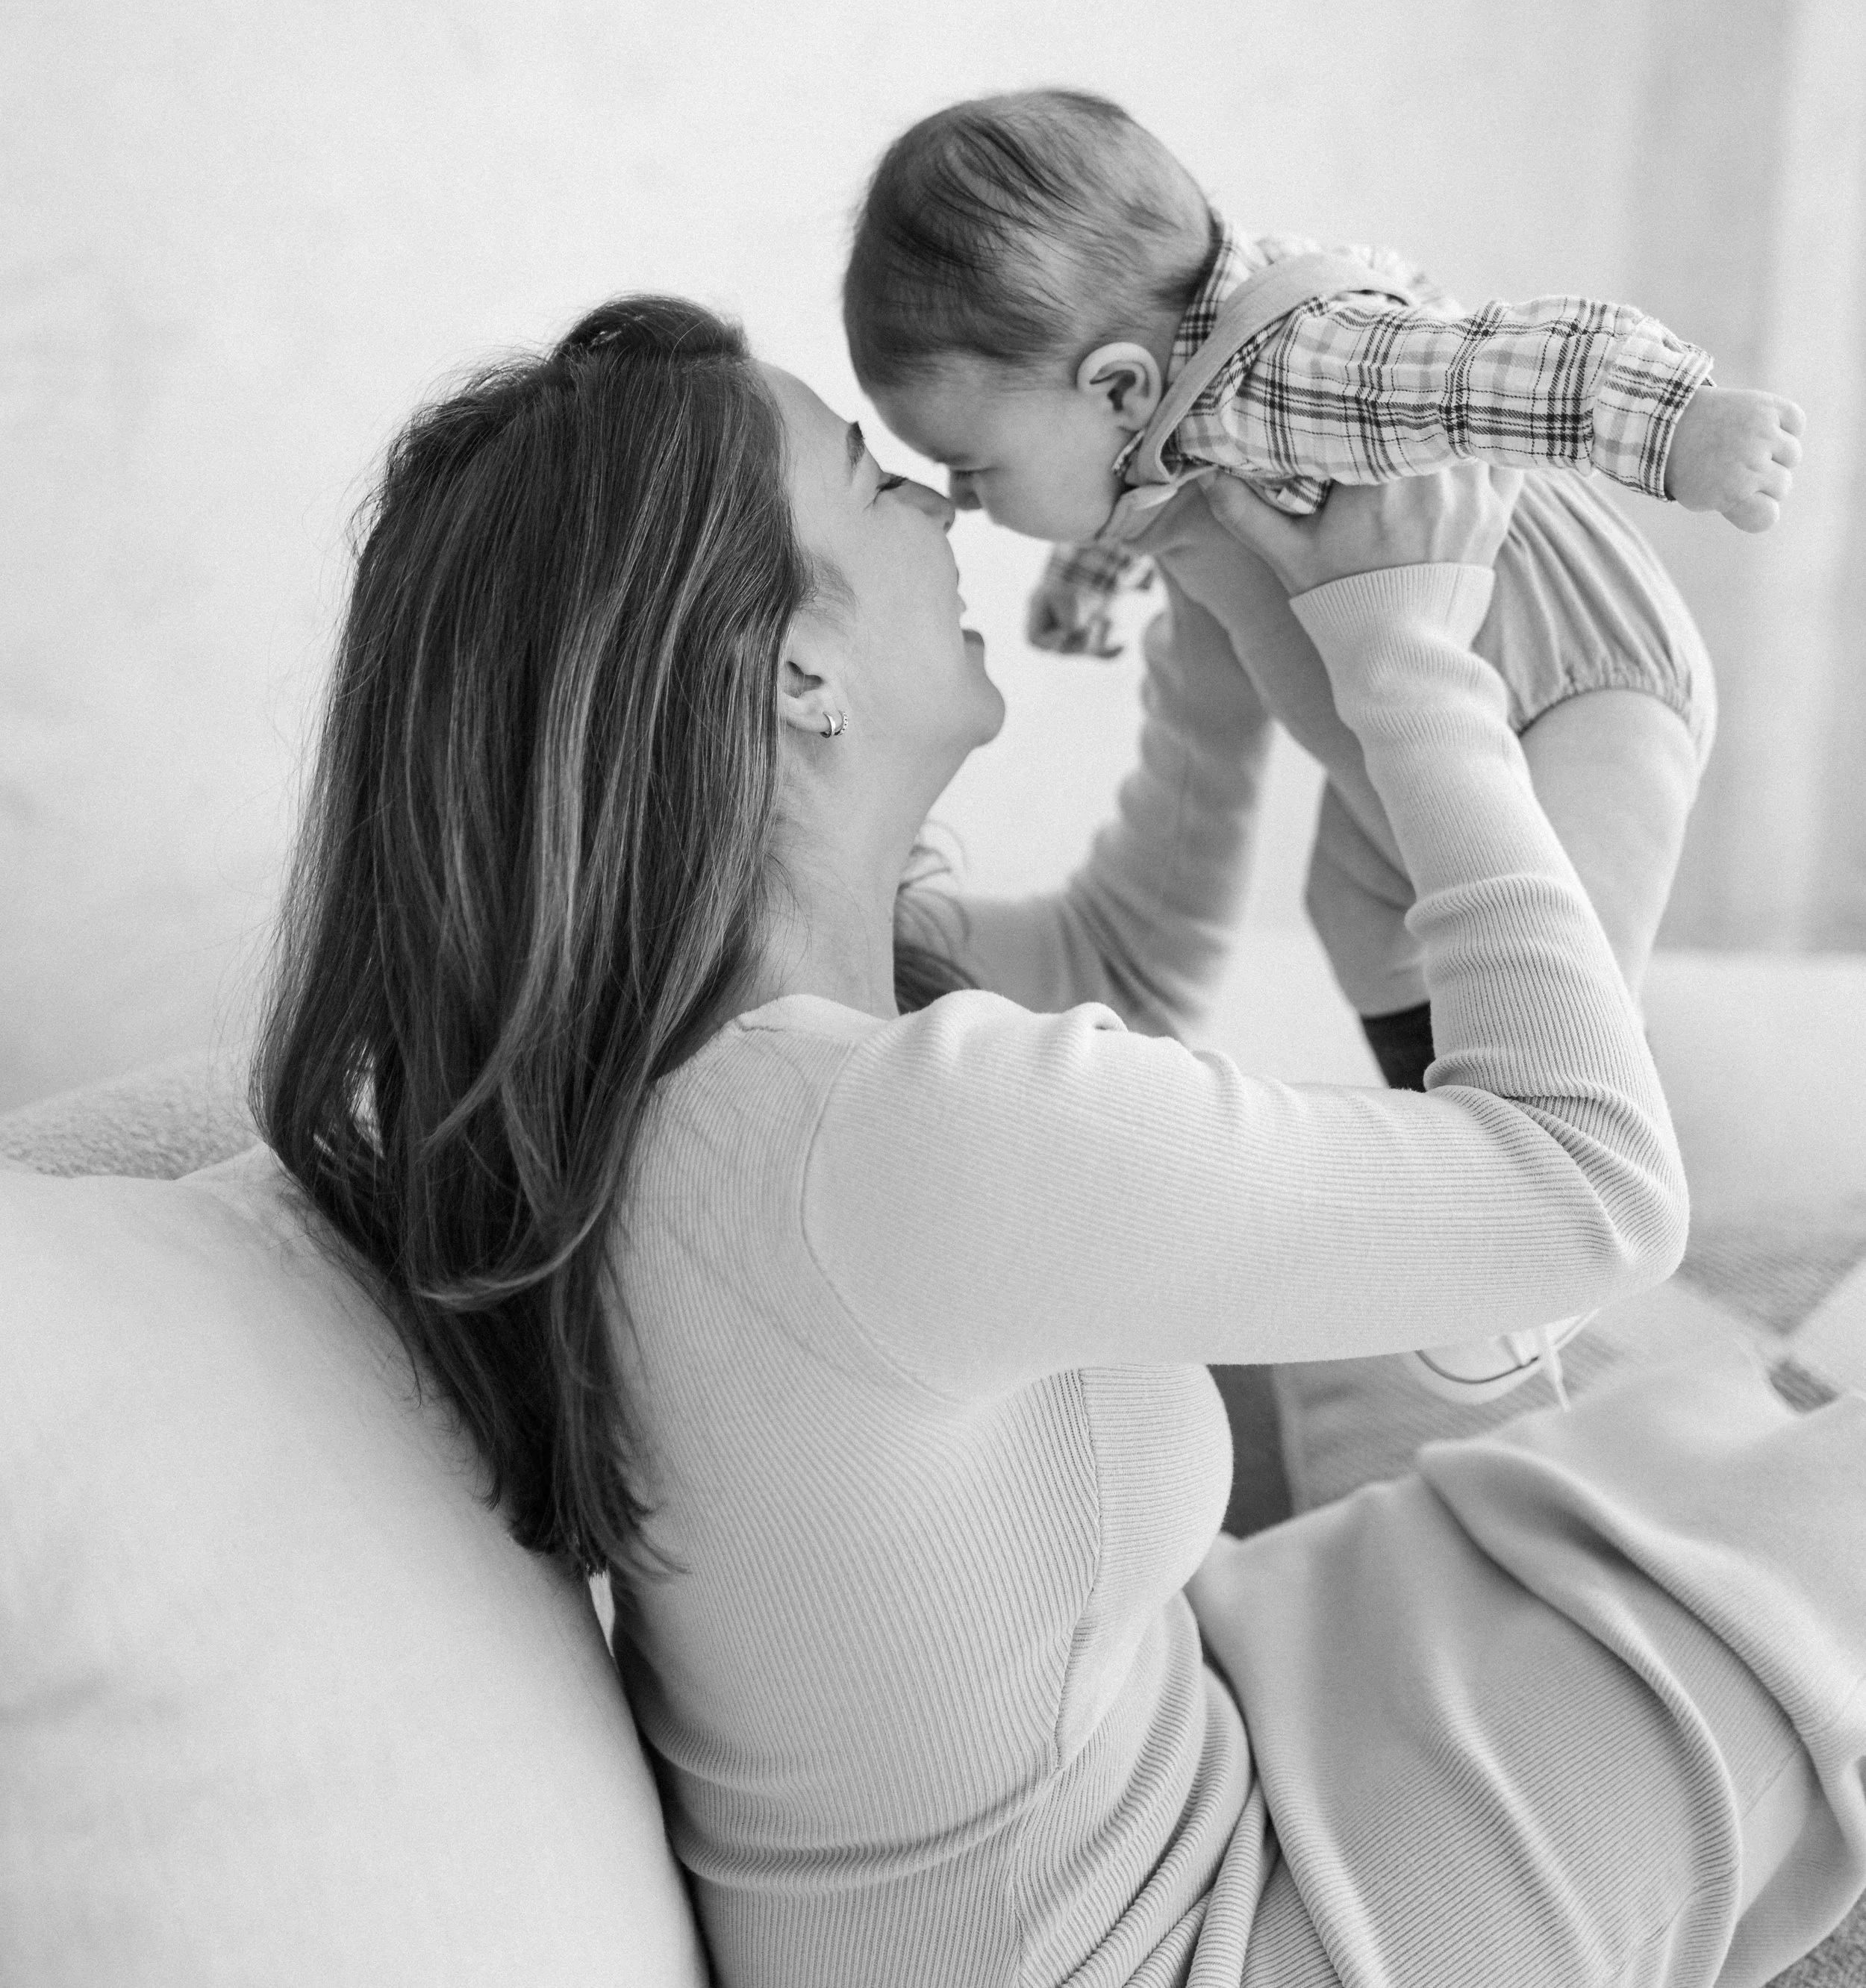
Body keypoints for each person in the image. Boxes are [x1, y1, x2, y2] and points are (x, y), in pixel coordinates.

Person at [257, 296, 1865, 1988]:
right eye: (870, 478)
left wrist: (1217, 602)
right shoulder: (894, 1137)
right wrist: (1410, 660)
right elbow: (1589, 1190)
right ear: (789, 669)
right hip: (1211, 1936)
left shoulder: (707, 1103)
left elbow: (1132, 961)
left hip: (1215, 1763)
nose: (943, 506)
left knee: (1721, 1444)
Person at [842, 88, 1805, 1397]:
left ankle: (1540, 1255)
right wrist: (1086, 591)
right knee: (1348, 894)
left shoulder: (1298, 370)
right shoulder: (1156, 444)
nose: (959, 505)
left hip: (1579, 684)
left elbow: (1504, 363)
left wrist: (1683, 424)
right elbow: (1142, 526)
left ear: (1121, 385)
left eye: (971, 470)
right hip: (1420, 752)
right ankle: (1460, 1147)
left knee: (1563, 953)